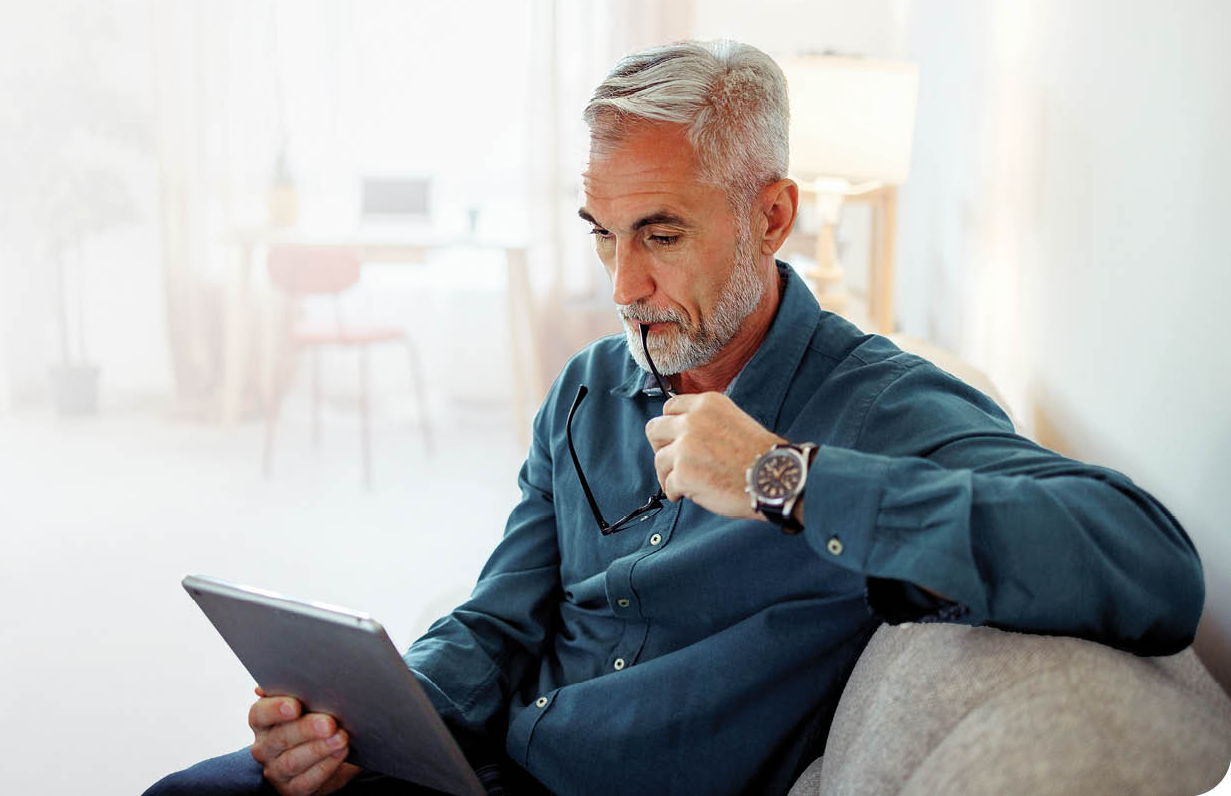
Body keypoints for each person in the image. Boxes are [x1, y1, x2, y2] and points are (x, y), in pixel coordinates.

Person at [146, 40, 1204, 796]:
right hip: (475, 764)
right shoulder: (583, 393)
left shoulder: (879, 405)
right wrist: (374, 721)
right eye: (600, 234)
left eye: (658, 234)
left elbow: (1151, 566)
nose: (621, 283)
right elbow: (500, 620)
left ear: (771, 215)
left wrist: (780, 476)